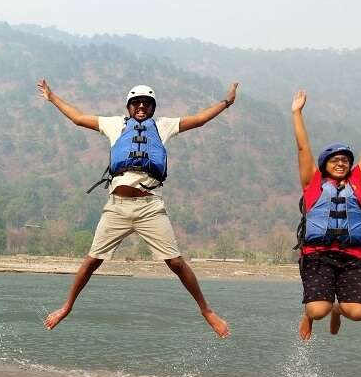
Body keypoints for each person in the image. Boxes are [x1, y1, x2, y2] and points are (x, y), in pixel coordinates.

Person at [37, 79, 237, 337]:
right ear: (129, 107)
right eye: (136, 103)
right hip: (117, 207)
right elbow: (77, 117)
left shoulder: (163, 126)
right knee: (91, 262)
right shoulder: (114, 125)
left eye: (146, 103)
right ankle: (66, 307)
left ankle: (207, 311)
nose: (141, 106)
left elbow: (199, 119)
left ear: (152, 107)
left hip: (149, 206)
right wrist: (52, 96)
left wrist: (226, 102)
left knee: (175, 263)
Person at [291, 91, 361, 340]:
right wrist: (297, 113)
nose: (341, 163)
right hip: (318, 256)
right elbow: (303, 147)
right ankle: (313, 312)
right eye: (335, 159)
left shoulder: (357, 182)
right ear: (324, 164)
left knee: (357, 313)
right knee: (316, 309)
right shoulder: (312, 183)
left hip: (353, 257)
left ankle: (337, 308)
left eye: (345, 160)